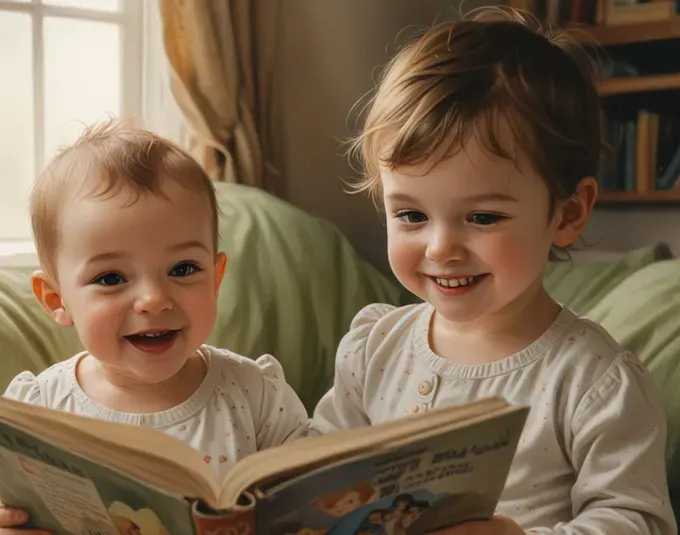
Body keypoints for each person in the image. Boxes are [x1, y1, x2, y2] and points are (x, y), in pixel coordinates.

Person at [311, 7, 676, 535]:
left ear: (568, 213)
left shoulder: (593, 382)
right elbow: (317, 466)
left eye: (483, 217)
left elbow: (637, 521)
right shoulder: (374, 350)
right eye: (411, 215)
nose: (442, 248)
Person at [0, 120, 309, 534]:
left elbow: (315, 503)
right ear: (57, 300)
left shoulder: (256, 396)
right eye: (111, 278)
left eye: (183, 269)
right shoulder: (35, 414)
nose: (154, 299)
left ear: (215, 279)